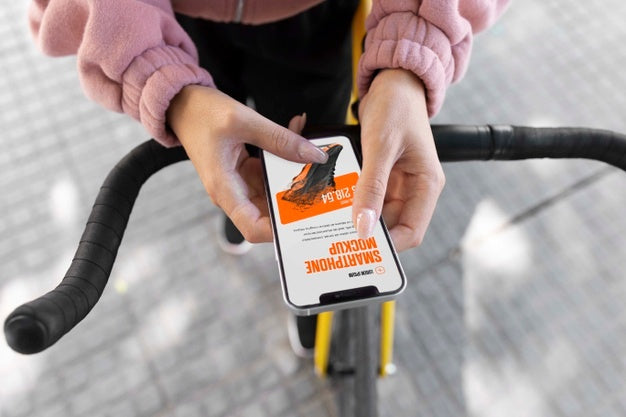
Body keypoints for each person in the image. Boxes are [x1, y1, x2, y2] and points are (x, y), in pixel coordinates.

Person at [28, 0, 509, 354]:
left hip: (314, 21)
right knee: (228, 153)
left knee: (310, 170)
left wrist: (414, 47)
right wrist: (158, 78)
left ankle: (310, 295)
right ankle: (241, 221)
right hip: (170, 18)